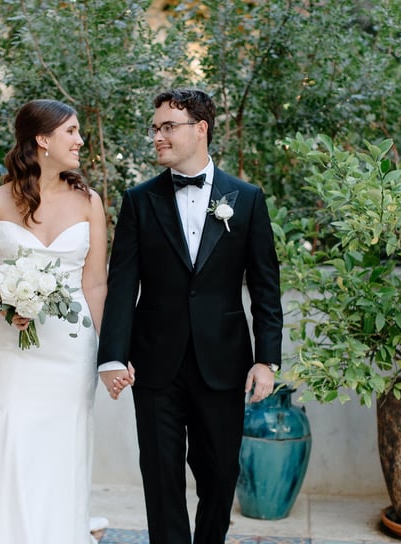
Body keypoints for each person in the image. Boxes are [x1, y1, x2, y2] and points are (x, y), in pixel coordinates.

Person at [97, 88, 283, 544]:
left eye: (168, 127)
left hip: (223, 363)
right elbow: (122, 284)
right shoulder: (139, 201)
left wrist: (267, 360)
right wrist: (112, 357)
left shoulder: (246, 198)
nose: (157, 136)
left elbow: (265, 287)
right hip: (155, 362)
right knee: (161, 478)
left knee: (220, 473)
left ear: (200, 129)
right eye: (155, 127)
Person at [0, 99, 108, 543]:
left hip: (70, 348)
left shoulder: (89, 202)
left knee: (63, 447)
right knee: (10, 436)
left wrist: (114, 352)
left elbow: (96, 284)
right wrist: (9, 305)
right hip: (10, 348)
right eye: (72, 132)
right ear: (42, 140)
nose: (80, 141)